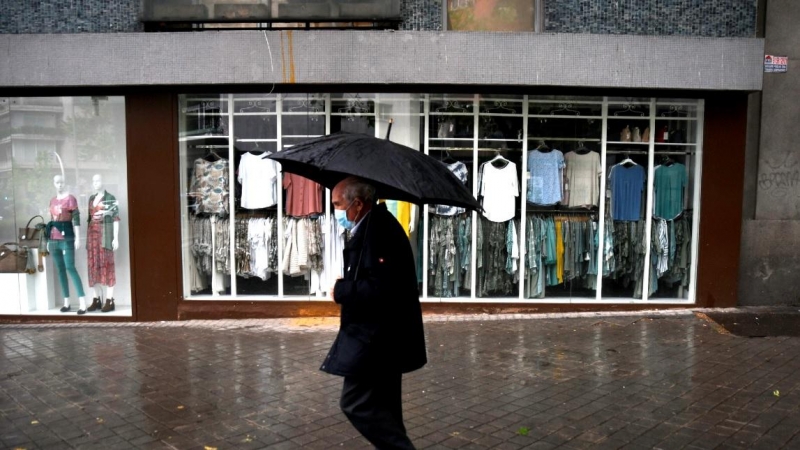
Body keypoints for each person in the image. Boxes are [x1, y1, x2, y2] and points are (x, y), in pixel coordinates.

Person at [320, 176, 427, 450]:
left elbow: (382, 288)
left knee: (354, 403)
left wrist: (341, 290)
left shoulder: (379, 231)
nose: (336, 211)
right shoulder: (371, 226)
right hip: (383, 338)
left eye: (337, 204)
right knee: (386, 408)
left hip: (376, 339)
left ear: (357, 203)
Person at [46, 174, 87, 314]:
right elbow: (51, 219)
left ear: (65, 183)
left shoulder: (71, 199)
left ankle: (82, 303)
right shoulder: (52, 200)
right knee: (60, 269)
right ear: (53, 183)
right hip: (53, 239)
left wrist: (77, 238)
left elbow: (76, 219)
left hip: (67, 238)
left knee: (70, 267)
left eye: (62, 182)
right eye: (57, 182)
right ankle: (66, 302)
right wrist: (47, 239)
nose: (59, 185)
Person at [86, 174, 120, 313]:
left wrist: (115, 238)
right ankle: (96, 299)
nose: (96, 183)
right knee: (93, 267)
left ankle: (110, 299)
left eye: (98, 180)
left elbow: (116, 218)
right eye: (93, 180)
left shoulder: (110, 198)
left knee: (107, 266)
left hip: (105, 237)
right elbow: (89, 219)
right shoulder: (91, 199)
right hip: (92, 237)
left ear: (103, 181)